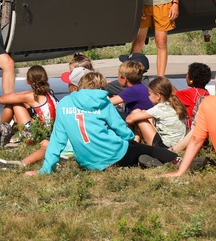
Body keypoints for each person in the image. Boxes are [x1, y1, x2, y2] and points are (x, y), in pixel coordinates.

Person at [26, 72, 182, 175]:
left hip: (87, 161)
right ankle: (178, 160)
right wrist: (130, 137)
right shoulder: (104, 102)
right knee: (148, 150)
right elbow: (121, 130)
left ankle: (142, 162)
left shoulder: (65, 103)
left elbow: (57, 141)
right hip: (114, 153)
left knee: (133, 156)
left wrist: (45, 169)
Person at [0, 66, 86, 171]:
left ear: (27, 81)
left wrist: (22, 95)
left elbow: (2, 99)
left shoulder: (31, 95)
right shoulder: (49, 93)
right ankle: (3, 132)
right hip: (50, 133)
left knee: (14, 104)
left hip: (35, 137)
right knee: (23, 105)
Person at [126, 76, 187, 149]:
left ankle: (135, 142)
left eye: (150, 94)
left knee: (137, 113)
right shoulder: (175, 104)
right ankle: (136, 141)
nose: (148, 97)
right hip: (178, 144)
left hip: (163, 147)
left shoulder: (160, 108)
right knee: (143, 113)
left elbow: (129, 119)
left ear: (158, 96)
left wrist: (131, 124)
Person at [175, 62, 211, 129]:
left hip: (191, 127)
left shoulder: (190, 93)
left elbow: (173, 94)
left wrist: (163, 80)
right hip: (202, 126)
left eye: (187, 73)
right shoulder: (206, 93)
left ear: (191, 80)